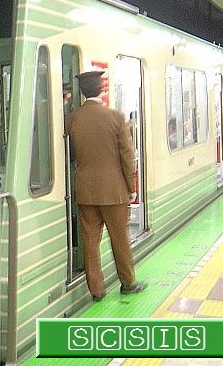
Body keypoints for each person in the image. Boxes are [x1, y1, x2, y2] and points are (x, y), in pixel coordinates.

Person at [65, 70, 147, 302]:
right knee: (119, 238)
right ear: (101, 90)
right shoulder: (116, 117)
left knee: (90, 243)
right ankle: (128, 283)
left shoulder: (71, 119)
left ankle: (97, 290)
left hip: (85, 191)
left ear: (82, 91)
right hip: (114, 190)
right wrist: (131, 185)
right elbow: (127, 155)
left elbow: (70, 154)